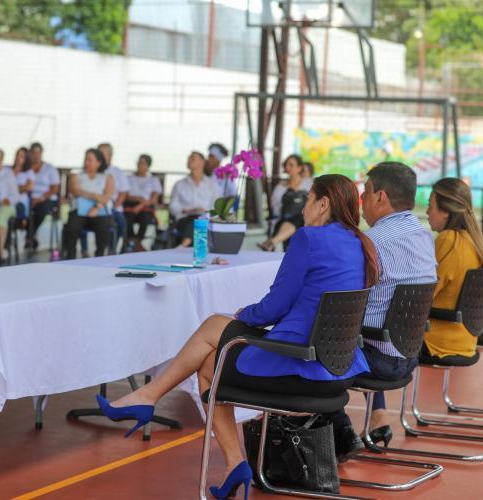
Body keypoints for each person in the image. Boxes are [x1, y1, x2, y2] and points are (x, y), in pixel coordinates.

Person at [95, 174, 378, 499]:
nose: (303, 210)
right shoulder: (359, 242)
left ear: (323, 204)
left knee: (213, 345)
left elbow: (274, 307)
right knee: (214, 349)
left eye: (308, 200)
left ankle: (153, 401)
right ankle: (223, 457)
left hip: (301, 365)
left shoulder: (309, 239)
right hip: (336, 367)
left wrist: (243, 314)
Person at [330, 161, 437, 459]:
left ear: (381, 197)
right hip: (409, 353)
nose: (361, 200)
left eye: (366, 192)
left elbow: (342, 302)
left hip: (379, 357)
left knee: (320, 339)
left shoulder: (371, 242)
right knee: (362, 329)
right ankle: (378, 414)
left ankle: (339, 429)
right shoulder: (424, 238)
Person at [424, 177, 483, 358]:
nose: (427, 212)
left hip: (436, 341)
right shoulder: (474, 241)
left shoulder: (449, 240)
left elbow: (425, 294)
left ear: (445, 211)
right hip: (464, 340)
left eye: (430, 205)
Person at [63, 148, 115, 259]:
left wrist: (96, 206)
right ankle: (70, 257)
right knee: (72, 226)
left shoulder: (108, 178)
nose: (86, 162)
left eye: (90, 160)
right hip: (79, 211)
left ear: (99, 162)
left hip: (99, 211)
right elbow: (75, 190)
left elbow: (106, 197)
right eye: (85, 159)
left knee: (103, 226)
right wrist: (96, 196)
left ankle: (100, 257)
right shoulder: (76, 176)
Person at [257, 154, 313, 251]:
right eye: (286, 165)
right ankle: (272, 242)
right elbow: (276, 209)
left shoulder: (308, 185)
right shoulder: (280, 187)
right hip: (283, 219)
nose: (287, 167)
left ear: (299, 168)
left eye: (291, 165)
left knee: (299, 218)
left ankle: (272, 241)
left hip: (304, 220)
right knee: (294, 219)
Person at [168, 151, 220, 248]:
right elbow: (173, 206)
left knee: (199, 221)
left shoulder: (212, 185)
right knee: (195, 222)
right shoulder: (179, 184)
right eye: (189, 158)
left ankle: (184, 245)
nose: (189, 160)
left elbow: (216, 207)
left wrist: (204, 211)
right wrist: (186, 210)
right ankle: (192, 247)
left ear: (202, 162)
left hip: (205, 219)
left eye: (192, 158)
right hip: (184, 219)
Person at [0, 148, 21, 265]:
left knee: (1, 216)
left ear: (1, 159)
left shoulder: (7, 173)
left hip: (5, 205)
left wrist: (6, 201)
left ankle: (1, 250)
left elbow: (15, 195)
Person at [124, 154, 162, 252]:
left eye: (143, 163)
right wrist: (138, 199)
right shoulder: (129, 178)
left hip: (146, 207)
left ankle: (137, 241)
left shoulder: (153, 180)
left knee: (145, 218)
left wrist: (141, 205)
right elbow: (125, 195)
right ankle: (132, 240)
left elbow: (154, 199)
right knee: (127, 218)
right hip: (130, 205)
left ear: (148, 165)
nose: (140, 165)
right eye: (139, 162)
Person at [98, 143, 130, 254]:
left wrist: (113, 208)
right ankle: (85, 250)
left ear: (110, 156)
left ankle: (112, 249)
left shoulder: (118, 172)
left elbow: (122, 194)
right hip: (94, 207)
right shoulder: (92, 171)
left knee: (121, 223)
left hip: (113, 207)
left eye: (102, 154)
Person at [27, 142, 60, 250]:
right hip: (28, 197)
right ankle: (31, 235)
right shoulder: (26, 168)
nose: (36, 155)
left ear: (42, 153)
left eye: (38, 153)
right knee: (22, 209)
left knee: (41, 209)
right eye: (33, 153)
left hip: (46, 198)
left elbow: (55, 188)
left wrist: (40, 198)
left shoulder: (50, 168)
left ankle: (30, 235)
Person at [12, 147, 34, 227]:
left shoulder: (28, 172)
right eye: (18, 155)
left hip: (20, 200)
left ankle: (21, 221)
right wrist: (19, 187)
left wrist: (13, 188)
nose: (18, 158)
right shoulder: (8, 170)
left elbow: (29, 187)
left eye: (21, 156)